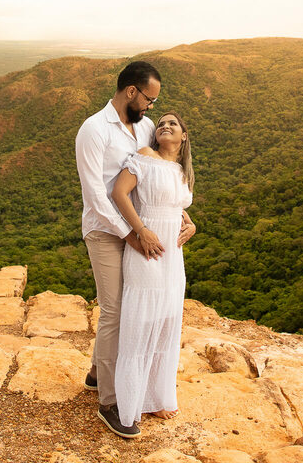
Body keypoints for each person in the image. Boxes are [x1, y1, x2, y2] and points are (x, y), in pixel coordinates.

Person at [75, 62, 195, 439]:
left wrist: (184, 218)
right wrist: (135, 233)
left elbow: (160, 178)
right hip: (105, 230)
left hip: (137, 231)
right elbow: (97, 195)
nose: (151, 108)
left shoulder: (144, 128)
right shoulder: (93, 130)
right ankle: (110, 402)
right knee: (115, 310)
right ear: (131, 92)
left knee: (129, 308)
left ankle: (98, 372)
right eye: (149, 99)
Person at [111, 111, 194, 432]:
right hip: (147, 248)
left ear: (183, 136)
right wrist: (140, 230)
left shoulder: (181, 172)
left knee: (166, 323)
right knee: (141, 321)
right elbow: (119, 193)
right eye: (160, 123)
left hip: (173, 257)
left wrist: (192, 225)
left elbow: (178, 209)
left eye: (172, 123)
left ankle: (157, 398)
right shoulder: (145, 156)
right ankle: (130, 403)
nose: (165, 126)